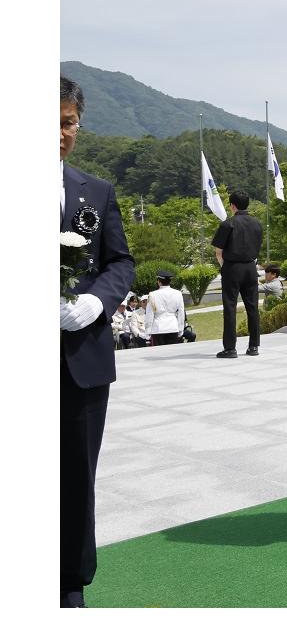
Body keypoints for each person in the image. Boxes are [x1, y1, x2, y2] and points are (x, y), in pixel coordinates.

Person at [59, 76, 135, 607]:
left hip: (80, 360)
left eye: (68, 123)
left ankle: (70, 583)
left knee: (74, 478)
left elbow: (119, 262)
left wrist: (96, 302)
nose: (60, 133)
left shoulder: (94, 191)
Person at [211, 191, 263, 358]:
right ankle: (254, 346)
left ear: (232, 205)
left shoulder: (228, 224)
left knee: (230, 307)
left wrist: (225, 267)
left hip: (232, 267)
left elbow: (218, 252)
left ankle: (230, 348)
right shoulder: (257, 223)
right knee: (253, 307)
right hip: (250, 267)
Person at [145, 270, 186, 345]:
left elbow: (149, 315)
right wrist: (180, 329)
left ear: (159, 281)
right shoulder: (178, 293)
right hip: (173, 327)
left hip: (158, 328)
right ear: (170, 281)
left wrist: (148, 332)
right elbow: (181, 312)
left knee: (159, 354)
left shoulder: (152, 295)